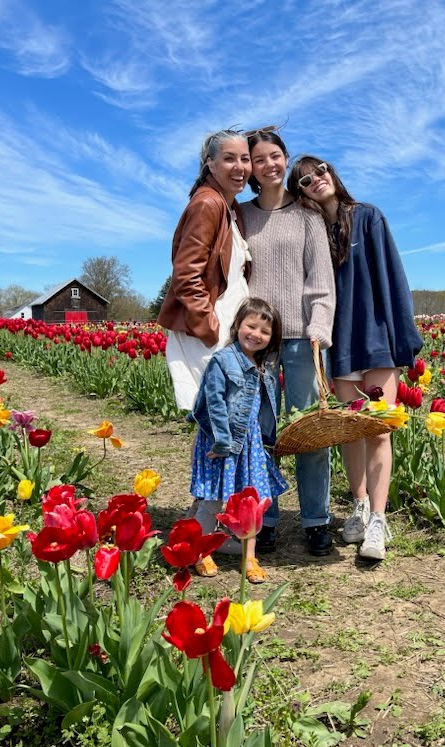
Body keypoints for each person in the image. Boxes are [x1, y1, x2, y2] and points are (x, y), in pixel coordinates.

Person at [289, 155, 423, 561]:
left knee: (378, 429)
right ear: (301, 193)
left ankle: (379, 521)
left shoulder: (368, 217)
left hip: (375, 337)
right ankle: (360, 507)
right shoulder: (312, 231)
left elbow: (393, 276)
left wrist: (403, 337)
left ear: (333, 173)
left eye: (321, 171)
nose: (316, 181)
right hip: (339, 341)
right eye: (305, 181)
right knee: (350, 430)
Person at [240, 129, 336, 556]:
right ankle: (267, 518)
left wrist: (320, 327)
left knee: (308, 431)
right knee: (262, 433)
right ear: (251, 169)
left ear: (285, 159)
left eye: (275, 156)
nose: (269, 165)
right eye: (259, 160)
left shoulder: (308, 216)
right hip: (258, 340)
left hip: (301, 340)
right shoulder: (240, 216)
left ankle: (317, 518)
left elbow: (321, 282)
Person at [156, 129, 252, 544]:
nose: (241, 167)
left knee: (221, 425)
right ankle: (206, 529)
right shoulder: (208, 203)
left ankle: (205, 520)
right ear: (209, 164)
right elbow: (187, 273)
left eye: (245, 159)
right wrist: (210, 328)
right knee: (221, 425)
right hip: (207, 336)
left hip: (222, 330)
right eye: (229, 159)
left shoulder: (227, 207)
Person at [189, 298, 287, 582]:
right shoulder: (223, 360)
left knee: (251, 501)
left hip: (251, 445)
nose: (256, 334)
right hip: (221, 441)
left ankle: (250, 557)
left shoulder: (265, 367)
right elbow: (213, 402)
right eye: (251, 326)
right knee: (213, 498)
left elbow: (266, 408)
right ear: (238, 325)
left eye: (264, 331)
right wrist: (222, 440)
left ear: (271, 339)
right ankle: (201, 551)